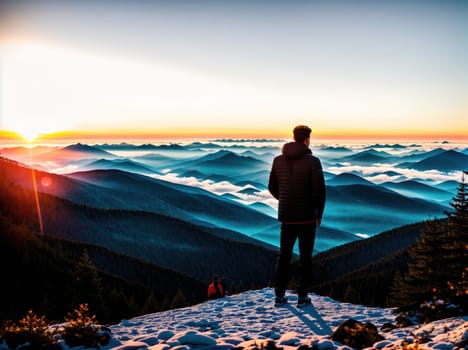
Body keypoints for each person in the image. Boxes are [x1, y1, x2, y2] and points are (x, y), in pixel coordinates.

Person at [268, 125, 326, 308]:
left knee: (284, 255)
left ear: (294, 137)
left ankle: (279, 295)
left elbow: (272, 187)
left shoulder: (277, 160)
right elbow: (320, 191)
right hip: (307, 217)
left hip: (286, 216)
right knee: (305, 257)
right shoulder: (313, 162)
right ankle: (302, 296)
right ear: (307, 139)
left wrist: (285, 200)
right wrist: (319, 213)